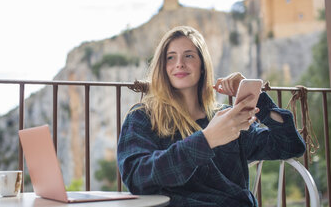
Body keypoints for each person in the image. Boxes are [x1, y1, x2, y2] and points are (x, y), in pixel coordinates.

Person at [117, 26, 305, 206]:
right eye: (170, 57)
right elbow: (137, 177)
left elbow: (289, 145)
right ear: (162, 67)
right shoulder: (143, 117)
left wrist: (257, 99)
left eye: (188, 56)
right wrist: (207, 140)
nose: (179, 63)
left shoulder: (226, 118)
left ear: (202, 66)